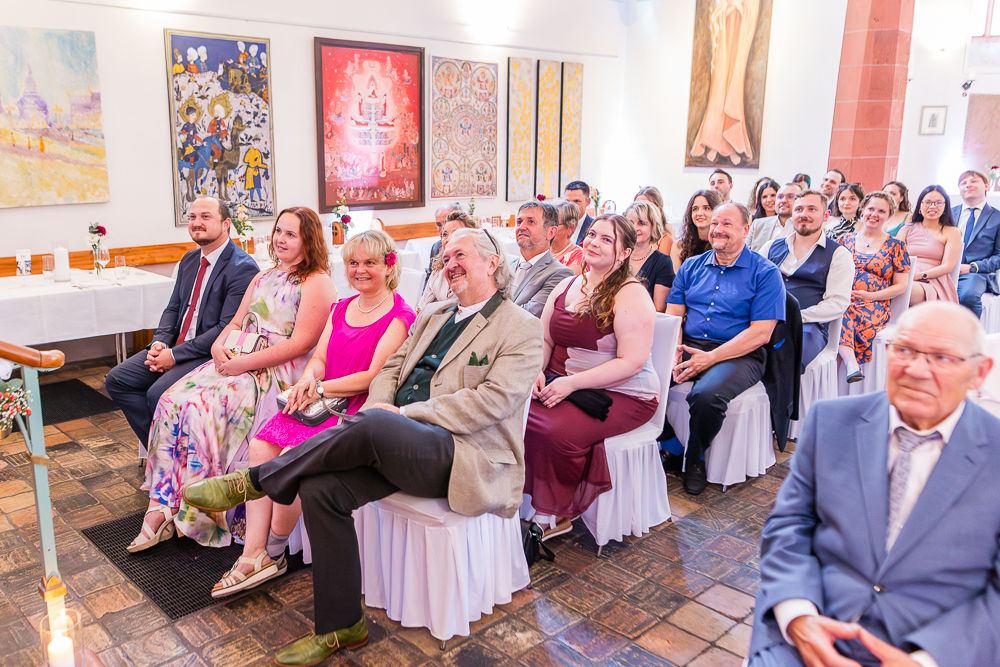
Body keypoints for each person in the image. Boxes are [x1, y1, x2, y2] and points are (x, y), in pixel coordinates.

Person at [181, 228, 544, 667]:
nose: (450, 264)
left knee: (373, 424)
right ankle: (342, 626)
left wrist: (399, 417)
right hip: (391, 439)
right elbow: (389, 369)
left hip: (459, 453)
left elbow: (491, 403)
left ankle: (256, 480)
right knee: (320, 488)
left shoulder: (521, 326)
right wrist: (381, 409)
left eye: (460, 255)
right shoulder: (434, 314)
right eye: (445, 257)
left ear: (492, 262)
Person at [749, 301, 998, 667]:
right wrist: (799, 616)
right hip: (807, 631)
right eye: (906, 350)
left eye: (942, 358)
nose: (915, 370)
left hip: (930, 648)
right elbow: (789, 526)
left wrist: (926, 660)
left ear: (979, 372)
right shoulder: (832, 420)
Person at [210, 230, 415, 597]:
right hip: (319, 401)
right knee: (260, 447)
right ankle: (252, 551)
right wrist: (307, 378)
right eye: (353, 263)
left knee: (290, 459)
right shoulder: (341, 308)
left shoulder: (400, 315)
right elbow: (319, 358)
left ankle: (274, 550)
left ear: (389, 265)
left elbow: (372, 376)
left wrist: (319, 388)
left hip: (355, 409)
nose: (360, 270)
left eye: (369, 262)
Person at [129, 206, 337, 553]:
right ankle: (162, 504)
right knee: (170, 400)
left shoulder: (316, 282)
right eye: (278, 232)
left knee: (199, 408)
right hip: (238, 359)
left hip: (275, 372)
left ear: (308, 240)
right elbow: (237, 322)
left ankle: (200, 509)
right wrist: (218, 349)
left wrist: (245, 364)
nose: (281, 239)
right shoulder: (263, 277)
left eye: (291, 234)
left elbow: (301, 343)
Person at [523, 214, 659, 539]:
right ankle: (518, 499)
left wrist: (570, 384)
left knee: (554, 430)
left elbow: (631, 363)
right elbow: (545, 339)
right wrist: (536, 372)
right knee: (513, 411)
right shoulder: (566, 284)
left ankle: (553, 513)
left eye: (606, 239)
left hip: (624, 392)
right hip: (562, 380)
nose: (594, 242)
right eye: (592, 235)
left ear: (625, 252)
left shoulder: (631, 294)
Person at [105, 197, 258, 450]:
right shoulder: (189, 260)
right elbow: (173, 307)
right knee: (117, 379)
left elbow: (225, 329)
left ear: (226, 223)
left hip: (208, 353)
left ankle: (173, 458)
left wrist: (174, 355)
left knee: (158, 394)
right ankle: (165, 454)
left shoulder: (242, 267)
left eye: (205, 217)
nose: (197, 223)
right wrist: (159, 342)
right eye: (192, 217)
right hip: (174, 346)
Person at [664, 202, 785, 494]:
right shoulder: (691, 266)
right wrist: (673, 350)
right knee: (641, 377)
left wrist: (710, 359)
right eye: (715, 223)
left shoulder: (765, 273)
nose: (717, 229)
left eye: (727, 224)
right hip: (691, 346)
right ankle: (672, 445)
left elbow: (761, 333)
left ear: (746, 230)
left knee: (706, 396)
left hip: (740, 353)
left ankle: (695, 458)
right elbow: (673, 316)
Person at [761, 191, 852, 370]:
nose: (804, 214)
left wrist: (797, 317)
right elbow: (753, 286)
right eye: (799, 209)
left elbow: (837, 303)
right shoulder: (770, 247)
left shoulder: (839, 254)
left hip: (808, 327)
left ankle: (785, 399)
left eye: (812, 209)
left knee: (785, 359)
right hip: (765, 320)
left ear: (825, 215)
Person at [838, 191, 910, 383]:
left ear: (889, 216)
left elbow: (901, 286)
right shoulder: (845, 240)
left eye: (881, 211)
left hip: (874, 304)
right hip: (844, 297)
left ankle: (851, 364)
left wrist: (870, 296)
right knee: (839, 307)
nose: (874, 214)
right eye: (870, 208)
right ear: (862, 211)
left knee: (843, 312)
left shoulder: (896, 246)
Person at [895, 185, 961, 305]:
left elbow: (948, 266)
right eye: (928, 202)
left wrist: (920, 275)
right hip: (904, 276)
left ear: (945, 207)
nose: (932, 206)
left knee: (905, 290)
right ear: (920, 206)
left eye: (938, 202)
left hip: (932, 281)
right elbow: (895, 257)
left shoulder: (952, 232)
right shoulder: (907, 229)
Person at [511, 202, 574, 316]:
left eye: (531, 222)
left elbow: (528, 315)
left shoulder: (559, 274)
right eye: (519, 222)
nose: (521, 227)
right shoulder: (507, 265)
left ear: (550, 232)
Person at [953, 169, 1000, 316]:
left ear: (986, 186)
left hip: (976, 273)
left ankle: (967, 337)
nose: (968, 185)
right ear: (959, 190)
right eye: (963, 183)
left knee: (967, 296)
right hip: (945, 269)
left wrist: (972, 267)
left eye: (974, 181)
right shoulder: (947, 213)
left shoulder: (997, 217)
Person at [417, 211, 479, 312]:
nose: (448, 239)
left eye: (456, 233)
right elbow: (421, 308)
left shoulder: (475, 273)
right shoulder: (438, 271)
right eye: (445, 234)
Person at [625, 201, 674, 311]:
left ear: (653, 227)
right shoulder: (618, 256)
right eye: (630, 223)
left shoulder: (662, 262)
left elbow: (658, 309)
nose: (635, 228)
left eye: (642, 223)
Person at [671, 189, 722, 270]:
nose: (699, 213)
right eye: (695, 209)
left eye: (706, 208)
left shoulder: (722, 245)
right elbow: (676, 281)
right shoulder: (679, 247)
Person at [746, 183, 802, 252]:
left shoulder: (805, 227)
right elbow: (744, 251)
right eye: (780, 197)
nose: (783, 200)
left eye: (790, 196)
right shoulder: (757, 224)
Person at [425, 202, 464, 279]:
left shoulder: (471, 247)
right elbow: (428, 279)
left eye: (447, 222)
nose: (443, 229)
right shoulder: (436, 247)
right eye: (439, 225)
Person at [634, 186, 675, 256]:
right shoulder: (631, 235)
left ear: (658, 209)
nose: (639, 211)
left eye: (644, 207)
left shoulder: (665, 240)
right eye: (636, 206)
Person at [550, 199, 585, 274]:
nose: (547, 228)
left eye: (554, 224)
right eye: (546, 223)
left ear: (570, 228)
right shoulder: (542, 249)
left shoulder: (578, 256)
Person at [565, 180, 595, 245]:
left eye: (576, 201)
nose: (571, 206)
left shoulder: (594, 227)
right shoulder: (559, 225)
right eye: (567, 201)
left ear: (588, 202)